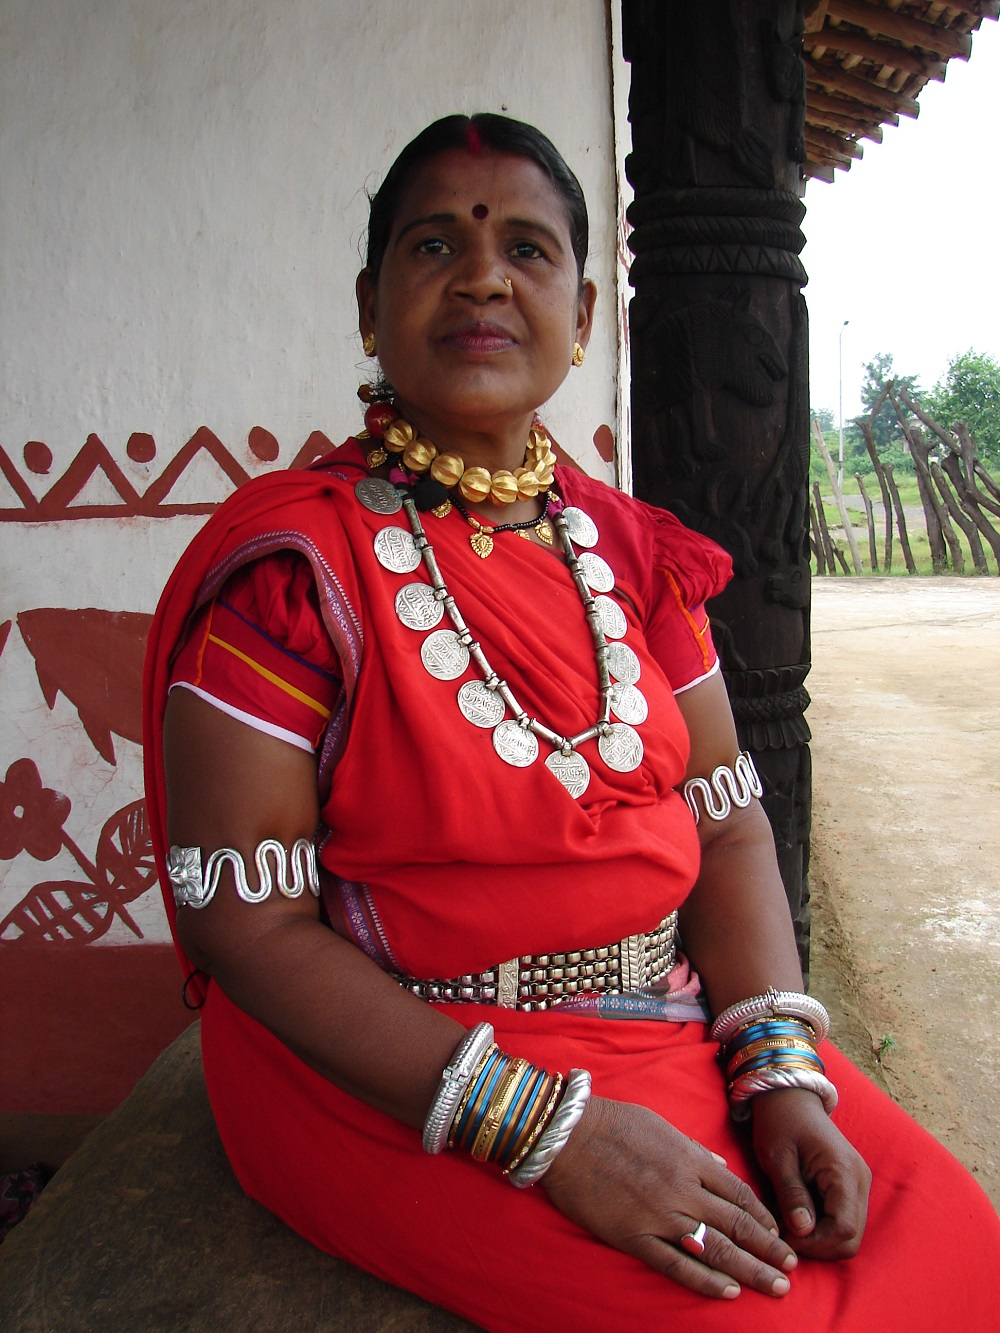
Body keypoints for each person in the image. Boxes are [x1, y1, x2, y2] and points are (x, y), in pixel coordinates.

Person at [143, 113, 1000, 1331]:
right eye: (434, 244)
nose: (484, 275)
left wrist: (778, 1073)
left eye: (528, 250)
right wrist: (550, 1134)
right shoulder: (295, 574)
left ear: (585, 312)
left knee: (957, 1240)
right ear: (368, 301)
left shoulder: (634, 556)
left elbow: (729, 826)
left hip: (669, 1026)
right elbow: (244, 916)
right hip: (400, 1073)